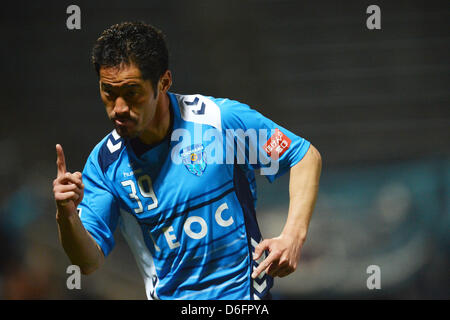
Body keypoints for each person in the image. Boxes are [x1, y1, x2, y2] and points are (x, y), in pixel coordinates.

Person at [53, 21, 322, 300]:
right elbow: (88, 262)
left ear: (164, 82)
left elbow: (303, 155)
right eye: (108, 92)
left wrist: (292, 237)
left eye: (132, 93)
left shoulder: (219, 120)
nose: (118, 108)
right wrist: (67, 216)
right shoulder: (104, 164)